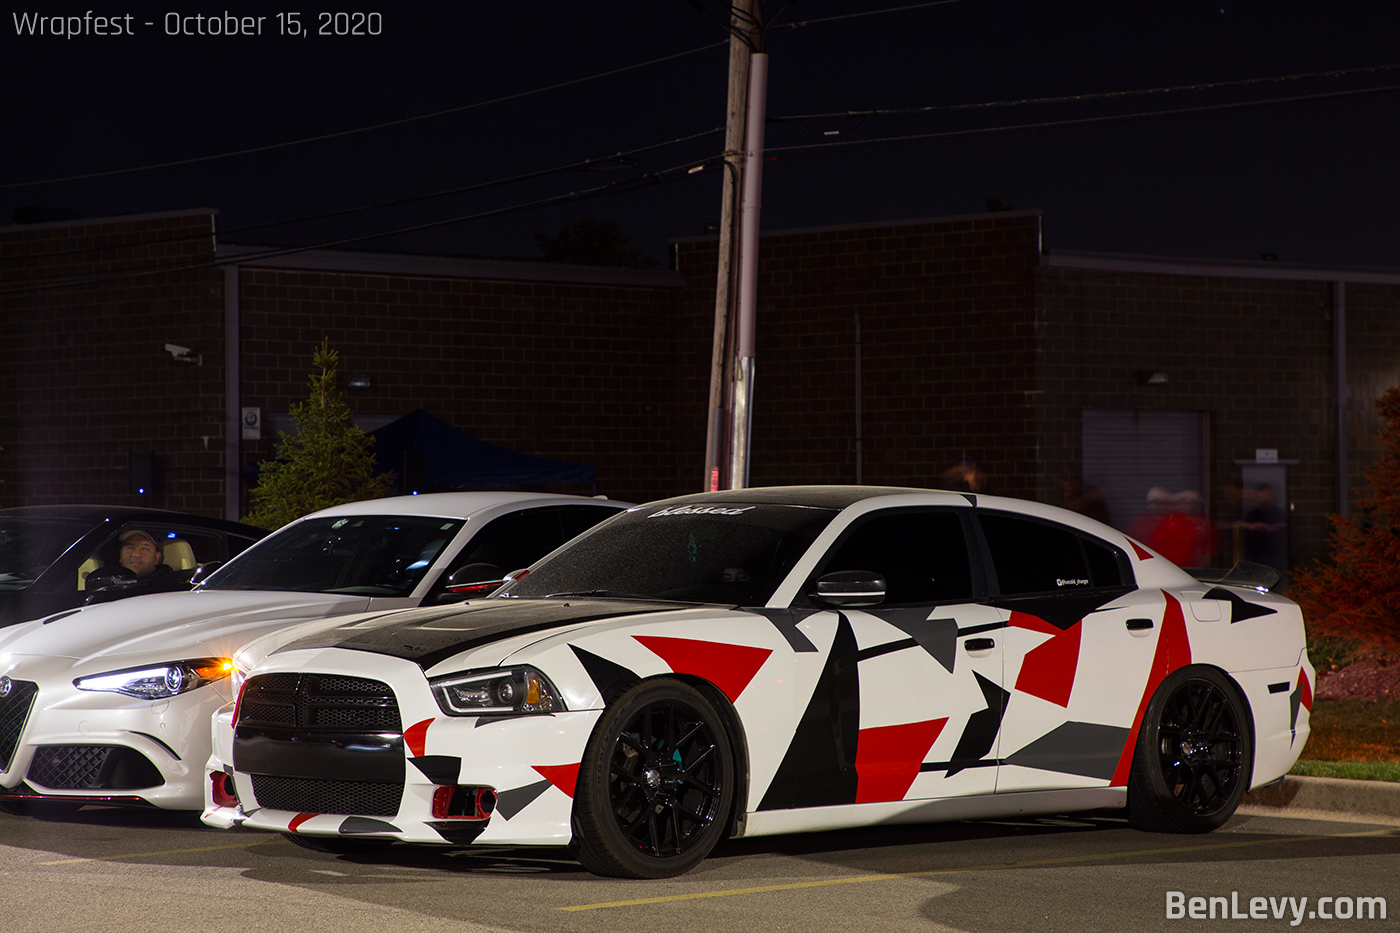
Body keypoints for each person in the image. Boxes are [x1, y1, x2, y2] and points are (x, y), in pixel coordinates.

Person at [84, 529, 185, 601]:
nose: (136, 554)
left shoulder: (169, 590)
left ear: (157, 558)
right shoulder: (108, 586)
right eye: (129, 547)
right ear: (120, 555)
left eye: (145, 549)